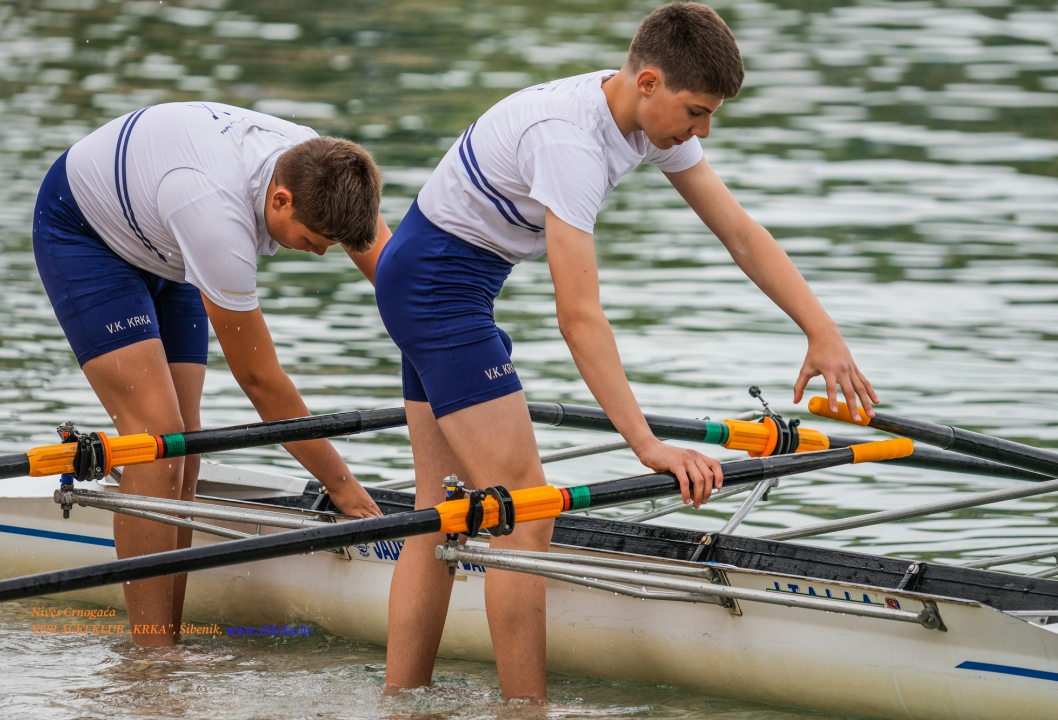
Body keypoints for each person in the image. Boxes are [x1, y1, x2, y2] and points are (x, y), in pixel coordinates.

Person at [373, 1, 879, 700]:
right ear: (647, 82)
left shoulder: (644, 116)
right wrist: (644, 443)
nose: (700, 131)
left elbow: (738, 231)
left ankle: (401, 701)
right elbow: (578, 317)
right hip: (436, 291)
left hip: (430, 277)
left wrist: (819, 330)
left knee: (443, 508)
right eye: (696, 111)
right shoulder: (570, 145)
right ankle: (525, 711)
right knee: (529, 509)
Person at [32, 101, 389, 646]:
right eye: (316, 240)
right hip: (84, 232)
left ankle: (168, 635)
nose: (321, 254)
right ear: (280, 199)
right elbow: (261, 383)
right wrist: (341, 486)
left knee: (187, 445)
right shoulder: (215, 218)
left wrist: (442, 344)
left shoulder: (322, 165)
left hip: (162, 229)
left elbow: (390, 269)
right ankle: (153, 657)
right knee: (154, 439)